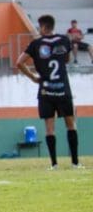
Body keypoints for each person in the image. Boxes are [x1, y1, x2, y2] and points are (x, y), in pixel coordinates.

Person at [16, 14, 82, 169]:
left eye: (39, 27)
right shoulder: (64, 40)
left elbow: (19, 62)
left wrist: (33, 77)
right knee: (71, 125)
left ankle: (54, 164)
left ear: (44, 27)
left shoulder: (36, 44)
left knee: (49, 128)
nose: (39, 30)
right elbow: (67, 59)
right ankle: (75, 163)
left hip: (46, 91)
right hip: (63, 89)